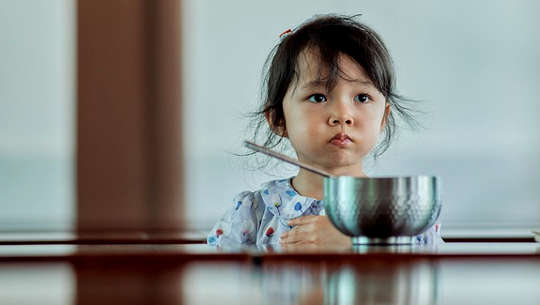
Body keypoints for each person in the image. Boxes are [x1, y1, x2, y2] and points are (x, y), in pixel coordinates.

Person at [207, 14, 442, 248]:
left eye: (362, 97)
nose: (342, 115)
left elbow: (427, 278)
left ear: (383, 118)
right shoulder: (252, 214)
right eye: (318, 97)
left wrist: (356, 242)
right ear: (279, 119)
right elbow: (215, 281)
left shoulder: (406, 216)